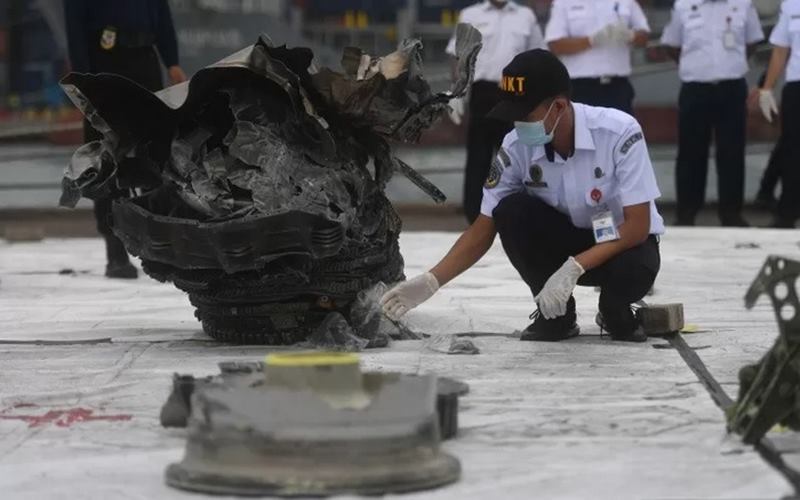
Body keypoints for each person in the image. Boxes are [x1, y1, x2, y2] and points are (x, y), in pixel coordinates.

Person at [381, 49, 665, 343]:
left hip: (619, 247)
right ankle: (555, 316)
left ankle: (614, 311)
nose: (517, 124)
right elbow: (484, 225)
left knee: (634, 270)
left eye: (525, 115)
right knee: (511, 210)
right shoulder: (516, 146)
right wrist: (431, 281)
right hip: (565, 243)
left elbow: (637, 227)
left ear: (558, 107)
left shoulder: (619, 132)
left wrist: (575, 266)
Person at [64, 0, 187, 279]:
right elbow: (75, 30)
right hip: (104, 66)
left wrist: (172, 61)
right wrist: (82, 81)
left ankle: (161, 244)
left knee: (157, 154)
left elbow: (162, 16)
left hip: (145, 62)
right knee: (104, 159)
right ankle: (115, 251)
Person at [660, 0, 764, 227]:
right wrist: (693, 65)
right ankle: (686, 213)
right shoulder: (684, 5)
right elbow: (672, 44)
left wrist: (732, 64)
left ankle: (731, 213)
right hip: (695, 87)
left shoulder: (743, 4)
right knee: (690, 153)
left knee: (732, 152)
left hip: (731, 87)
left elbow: (752, 42)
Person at [445, 0, 545, 224]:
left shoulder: (525, 16)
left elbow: (538, 55)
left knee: (517, 155)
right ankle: (474, 217)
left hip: (516, 93)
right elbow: (459, 56)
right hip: (482, 92)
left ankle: (518, 215)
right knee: (479, 157)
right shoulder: (470, 14)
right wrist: (457, 91)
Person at [544, 0, 651, 115]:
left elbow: (644, 37)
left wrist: (630, 35)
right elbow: (555, 44)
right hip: (579, 87)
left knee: (623, 131)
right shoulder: (564, 3)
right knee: (579, 132)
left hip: (617, 87)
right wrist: (591, 41)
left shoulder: (626, 2)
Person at [750, 0, 800, 228]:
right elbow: (780, 49)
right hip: (796, 86)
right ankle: (787, 212)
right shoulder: (791, 5)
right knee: (793, 151)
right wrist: (767, 88)